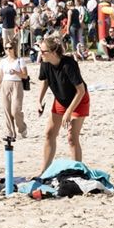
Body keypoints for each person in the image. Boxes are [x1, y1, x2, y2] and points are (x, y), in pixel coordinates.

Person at [35, 34, 89, 177]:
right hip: (60, 100)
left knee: (72, 137)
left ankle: (78, 172)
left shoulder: (68, 64)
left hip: (78, 100)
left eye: (43, 51)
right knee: (49, 134)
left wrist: (68, 112)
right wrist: (39, 100)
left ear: (53, 52)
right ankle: (44, 171)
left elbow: (81, 90)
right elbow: (45, 81)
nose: (40, 54)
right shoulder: (45, 63)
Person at [0, 44, 28, 140]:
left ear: (14, 48)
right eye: (6, 48)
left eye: (10, 48)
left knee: (15, 111)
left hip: (17, 85)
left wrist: (16, 72)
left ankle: (22, 128)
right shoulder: (3, 61)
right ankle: (10, 132)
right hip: (5, 85)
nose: (8, 50)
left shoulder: (20, 60)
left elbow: (25, 76)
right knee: (7, 110)